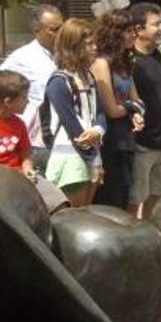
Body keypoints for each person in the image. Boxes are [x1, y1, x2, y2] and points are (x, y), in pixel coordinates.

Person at [44, 18, 106, 208]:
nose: (94, 48)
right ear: (72, 47)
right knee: (73, 216)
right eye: (88, 44)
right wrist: (94, 161)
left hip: (91, 151)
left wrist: (99, 130)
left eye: (94, 43)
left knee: (86, 211)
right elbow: (72, 127)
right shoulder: (59, 82)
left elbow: (100, 112)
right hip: (71, 158)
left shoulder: (89, 76)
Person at [0, 5, 63, 171]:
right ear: (36, 30)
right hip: (39, 138)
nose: (60, 33)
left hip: (65, 133)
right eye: (54, 29)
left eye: (62, 27)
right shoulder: (23, 57)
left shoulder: (66, 54)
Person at [127, 3, 161, 218]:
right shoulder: (128, 59)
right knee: (134, 199)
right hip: (141, 143)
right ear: (138, 29)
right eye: (156, 24)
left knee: (160, 197)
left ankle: (150, 237)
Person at [92, 10, 146, 209]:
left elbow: (137, 101)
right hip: (110, 142)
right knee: (111, 198)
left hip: (127, 140)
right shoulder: (101, 63)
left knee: (125, 195)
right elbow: (111, 110)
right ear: (115, 34)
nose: (134, 35)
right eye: (129, 31)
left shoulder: (124, 62)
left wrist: (137, 114)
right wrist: (132, 108)